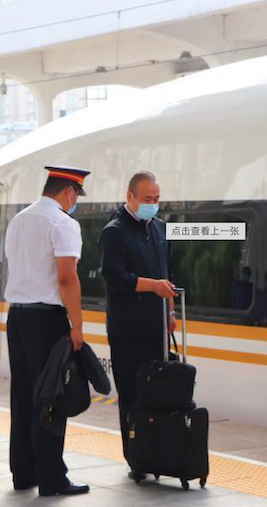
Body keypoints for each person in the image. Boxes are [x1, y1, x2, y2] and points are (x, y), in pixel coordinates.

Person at [3, 165, 91, 497]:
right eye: (76, 196)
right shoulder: (63, 224)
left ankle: (24, 473)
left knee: (23, 396)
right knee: (52, 396)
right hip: (47, 320)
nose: (74, 203)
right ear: (69, 192)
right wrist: (77, 325)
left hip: (18, 319)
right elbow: (67, 277)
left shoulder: (19, 220)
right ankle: (53, 478)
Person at [99, 171, 177, 480]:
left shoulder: (158, 228)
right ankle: (136, 459)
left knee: (156, 394)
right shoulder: (114, 232)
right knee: (131, 396)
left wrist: (170, 312)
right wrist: (153, 286)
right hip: (127, 331)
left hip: (155, 328)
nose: (153, 205)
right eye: (147, 200)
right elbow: (115, 278)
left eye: (157, 199)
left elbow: (166, 273)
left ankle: (156, 453)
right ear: (130, 196)